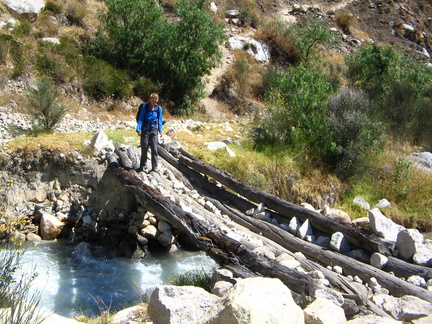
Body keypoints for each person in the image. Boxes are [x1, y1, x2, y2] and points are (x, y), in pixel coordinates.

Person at [136, 93, 163, 173]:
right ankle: (142, 166)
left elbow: (160, 120)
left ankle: (154, 167)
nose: (154, 101)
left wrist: (160, 131)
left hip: (154, 129)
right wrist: (138, 129)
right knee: (144, 147)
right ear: (150, 99)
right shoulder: (145, 107)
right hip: (145, 128)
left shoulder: (159, 108)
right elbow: (141, 118)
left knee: (154, 148)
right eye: (153, 99)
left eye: (156, 100)